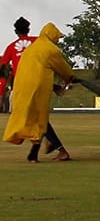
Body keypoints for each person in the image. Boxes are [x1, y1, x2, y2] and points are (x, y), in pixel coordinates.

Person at [3, 22, 76, 162]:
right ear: (51, 35)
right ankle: (55, 151)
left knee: (33, 118)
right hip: (38, 89)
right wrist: (69, 78)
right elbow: (64, 70)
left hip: (20, 87)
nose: (58, 40)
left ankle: (38, 152)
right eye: (57, 37)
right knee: (40, 119)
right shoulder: (51, 49)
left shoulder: (31, 48)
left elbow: (35, 70)